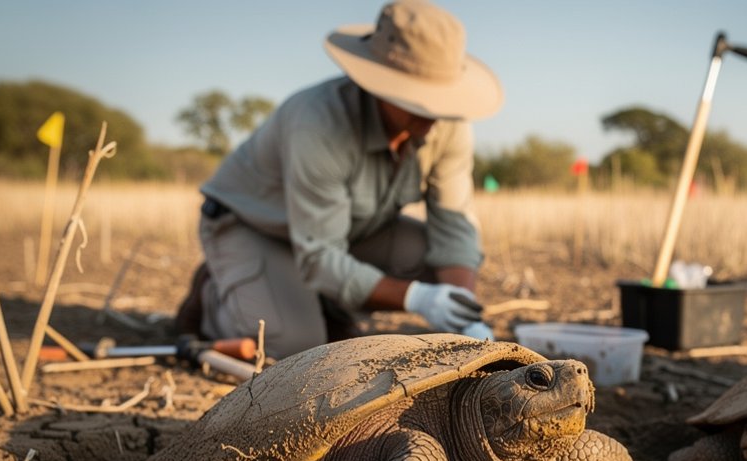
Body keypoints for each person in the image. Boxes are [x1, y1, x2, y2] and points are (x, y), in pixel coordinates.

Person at [175, 0, 502, 358]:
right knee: (292, 347)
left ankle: (316, 301)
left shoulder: (449, 126)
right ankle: (215, 293)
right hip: (255, 229)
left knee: (432, 262)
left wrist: (465, 315)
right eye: (418, 100)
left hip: (341, 233)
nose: (434, 113)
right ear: (379, 84)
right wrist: (415, 297)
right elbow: (318, 256)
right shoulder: (317, 123)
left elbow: (453, 228)